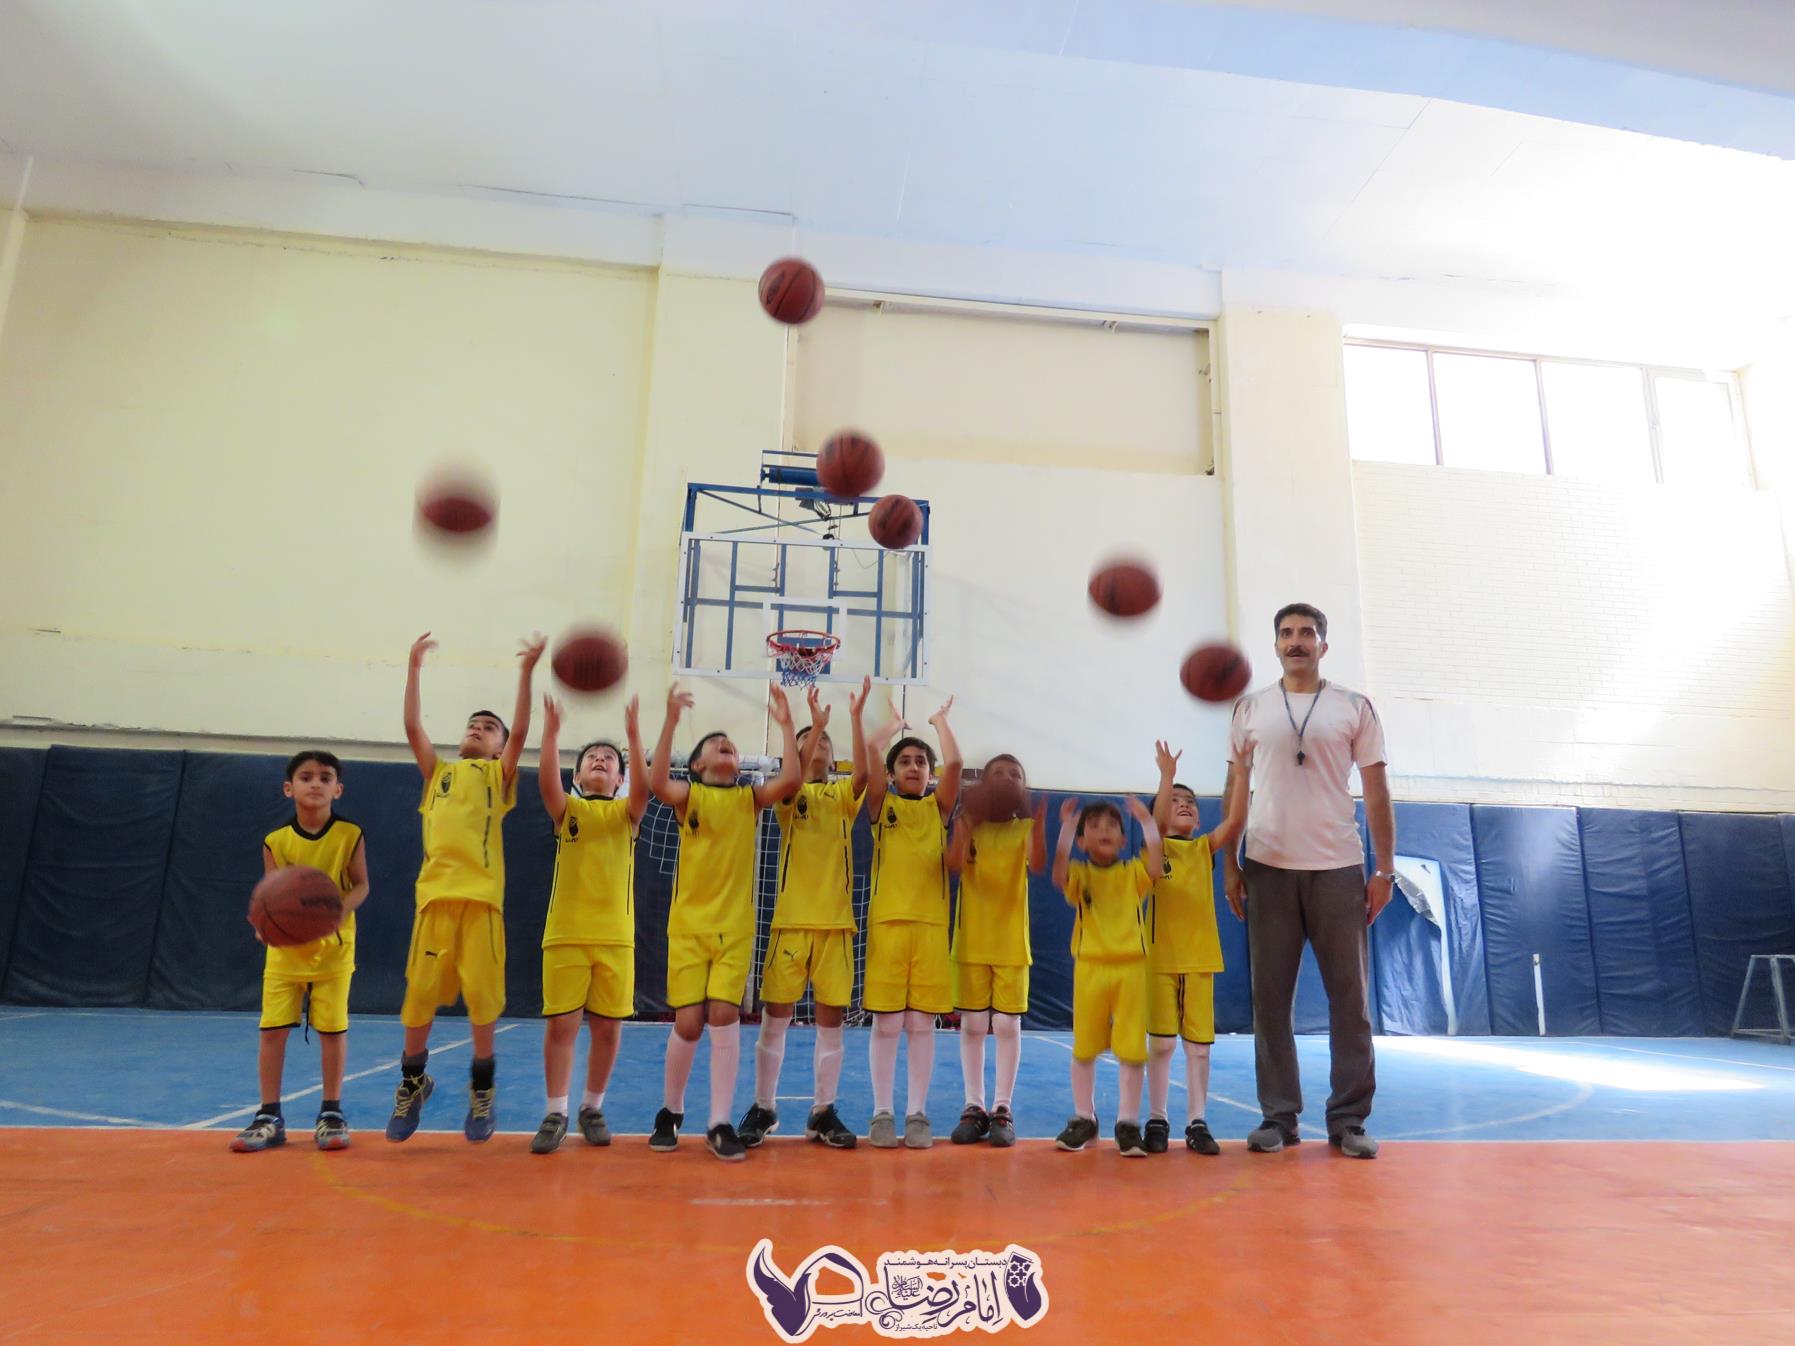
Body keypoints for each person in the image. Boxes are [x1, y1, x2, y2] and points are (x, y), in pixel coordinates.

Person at [1223, 603, 1394, 1160]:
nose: (1295, 641)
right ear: (1275, 644)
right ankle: (1279, 1117)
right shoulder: (1250, 709)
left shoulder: (1354, 707)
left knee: (1351, 1001)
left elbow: (1376, 791)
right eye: (1286, 633)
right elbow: (1235, 790)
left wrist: (1384, 868)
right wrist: (1229, 862)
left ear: (1323, 644)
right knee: (1271, 1001)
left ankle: (1349, 1119)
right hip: (1268, 866)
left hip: (1338, 867)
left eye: (1306, 633)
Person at [387, 631, 543, 1144]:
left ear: (499, 748)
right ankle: (414, 1081)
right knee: (418, 1000)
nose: (479, 728)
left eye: (489, 727)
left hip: (481, 903)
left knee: (481, 999)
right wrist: (414, 667)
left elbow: (522, 730)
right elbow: (413, 726)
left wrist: (526, 673)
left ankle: (482, 1089)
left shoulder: (497, 776)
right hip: (433, 900)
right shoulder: (439, 772)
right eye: (474, 723)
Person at [647, 683, 801, 1161]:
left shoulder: (749, 799)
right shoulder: (688, 796)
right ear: (696, 765)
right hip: (689, 928)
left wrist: (786, 724)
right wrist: (671, 719)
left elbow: (791, 780)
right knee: (689, 1023)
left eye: (729, 744)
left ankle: (718, 1121)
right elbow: (657, 783)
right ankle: (671, 1110)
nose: (725, 745)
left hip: (734, 928)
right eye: (715, 744)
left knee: (723, 1015)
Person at [737, 680, 880, 1152]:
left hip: (836, 926)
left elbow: (863, 773)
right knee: (775, 1017)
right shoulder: (789, 796)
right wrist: (809, 726)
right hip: (791, 924)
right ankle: (764, 1106)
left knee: (831, 1022)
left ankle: (823, 1110)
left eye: (824, 742)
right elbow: (792, 773)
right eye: (807, 742)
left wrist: (854, 718)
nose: (817, 745)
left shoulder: (842, 798)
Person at [231, 750, 369, 1153]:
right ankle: (269, 1116)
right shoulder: (275, 841)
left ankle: (331, 1112)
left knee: (332, 1030)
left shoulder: (350, 834)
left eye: (325, 778)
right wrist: (266, 924)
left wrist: (335, 913)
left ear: (337, 790)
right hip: (286, 952)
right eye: (306, 777)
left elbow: (361, 884)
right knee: (272, 1030)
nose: (316, 784)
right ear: (289, 788)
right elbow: (271, 895)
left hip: (333, 950)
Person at [529, 693, 649, 1154]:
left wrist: (634, 736)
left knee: (608, 1029)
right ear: (577, 776)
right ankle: (556, 1111)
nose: (600, 760)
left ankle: (592, 1107)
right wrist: (551, 732)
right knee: (562, 1026)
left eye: (609, 759)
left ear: (620, 778)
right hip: (565, 935)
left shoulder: (626, 813)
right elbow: (546, 783)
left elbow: (643, 791)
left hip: (615, 938)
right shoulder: (568, 811)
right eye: (591, 758)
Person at [861, 698, 962, 1149]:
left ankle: (917, 1112)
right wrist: (895, 725)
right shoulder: (880, 806)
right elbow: (870, 750)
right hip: (888, 925)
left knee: (922, 1023)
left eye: (922, 761)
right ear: (890, 773)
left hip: (930, 928)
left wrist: (939, 722)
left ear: (930, 773)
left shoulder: (938, 809)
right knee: (886, 1024)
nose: (914, 767)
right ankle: (882, 1111)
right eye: (905, 761)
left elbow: (955, 763)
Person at [1144, 741, 1243, 1155]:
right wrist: (1167, 776)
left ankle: (1197, 1121)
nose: (1184, 804)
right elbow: (1154, 825)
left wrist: (1243, 770)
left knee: (1198, 1048)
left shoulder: (1203, 849)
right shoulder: (1155, 848)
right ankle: (1157, 1117)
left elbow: (1234, 820)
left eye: (1190, 802)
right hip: (1160, 960)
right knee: (1162, 1044)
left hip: (1200, 959)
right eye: (1175, 800)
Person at [1052, 796, 1162, 1157]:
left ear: (1123, 839)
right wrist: (1067, 830)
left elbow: (1156, 865)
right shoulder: (1080, 873)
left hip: (1130, 969)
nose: (1104, 830)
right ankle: (1084, 1118)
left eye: (1112, 825)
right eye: (1095, 826)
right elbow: (1057, 874)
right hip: (1090, 968)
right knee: (1084, 1047)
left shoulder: (1133, 872)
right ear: (1082, 841)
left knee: (1131, 1049)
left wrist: (1147, 822)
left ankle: (1127, 1123)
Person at [945, 754, 1045, 1148]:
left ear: (1023, 786)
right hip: (971, 941)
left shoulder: (1026, 828)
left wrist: (1038, 821)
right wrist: (963, 825)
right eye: (998, 773)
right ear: (984, 784)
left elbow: (1038, 864)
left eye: (1014, 774)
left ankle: (1003, 1107)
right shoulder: (970, 824)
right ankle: (974, 1105)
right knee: (972, 1025)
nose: (1006, 778)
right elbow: (953, 864)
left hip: (1011, 945)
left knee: (1006, 1025)